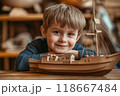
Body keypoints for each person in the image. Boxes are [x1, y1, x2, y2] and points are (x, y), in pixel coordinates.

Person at [15, 3, 97, 71]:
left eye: (70, 34)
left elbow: (99, 56)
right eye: (56, 32)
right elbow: (20, 62)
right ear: (44, 32)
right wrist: (53, 56)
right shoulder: (37, 45)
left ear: (77, 38)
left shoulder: (75, 48)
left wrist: (74, 54)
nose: (63, 40)